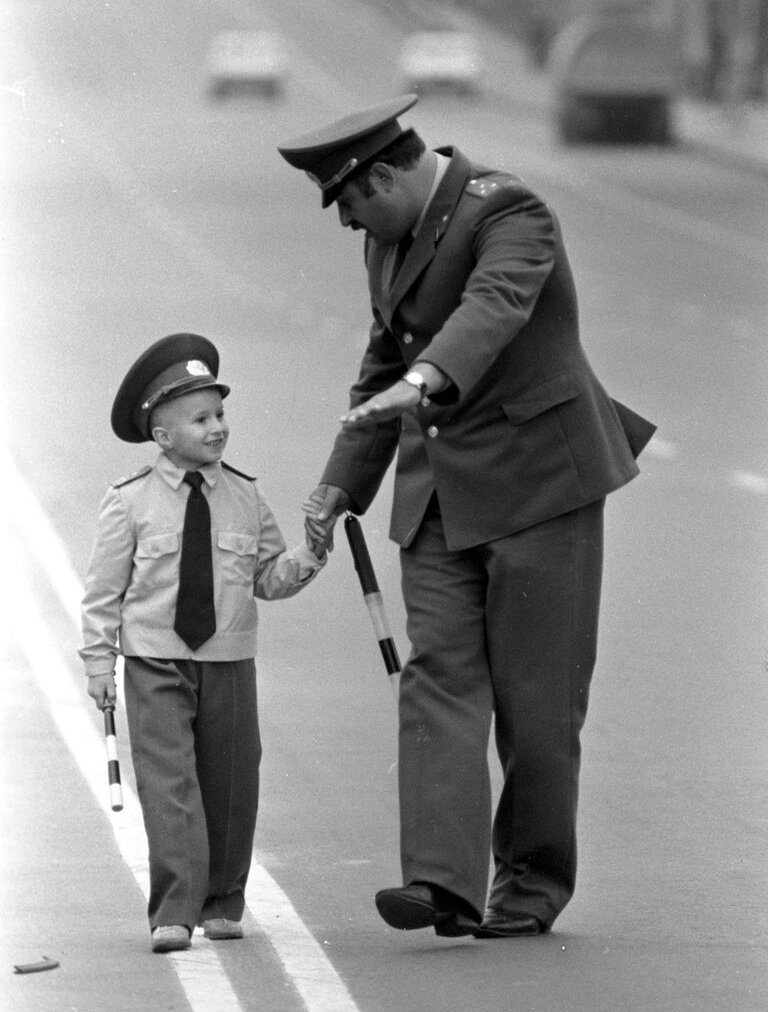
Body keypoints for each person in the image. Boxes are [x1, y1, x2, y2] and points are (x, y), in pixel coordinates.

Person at [278, 96, 656, 939]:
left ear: (385, 173)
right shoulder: (385, 237)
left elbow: (494, 308)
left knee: (538, 699)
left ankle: (528, 887)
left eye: (349, 201)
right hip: (439, 496)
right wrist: (341, 483)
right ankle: (441, 882)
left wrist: (424, 385)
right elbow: (384, 355)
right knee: (438, 675)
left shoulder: (509, 210)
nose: (345, 223)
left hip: (539, 488)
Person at [79, 333, 329, 953]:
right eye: (201, 419)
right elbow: (103, 591)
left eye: (220, 414)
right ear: (163, 436)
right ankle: (173, 910)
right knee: (168, 784)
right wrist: (97, 663)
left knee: (231, 782)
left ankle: (222, 900)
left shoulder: (246, 495)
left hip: (228, 661)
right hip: (155, 661)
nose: (217, 428)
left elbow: (267, 577)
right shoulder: (129, 501)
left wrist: (312, 553)